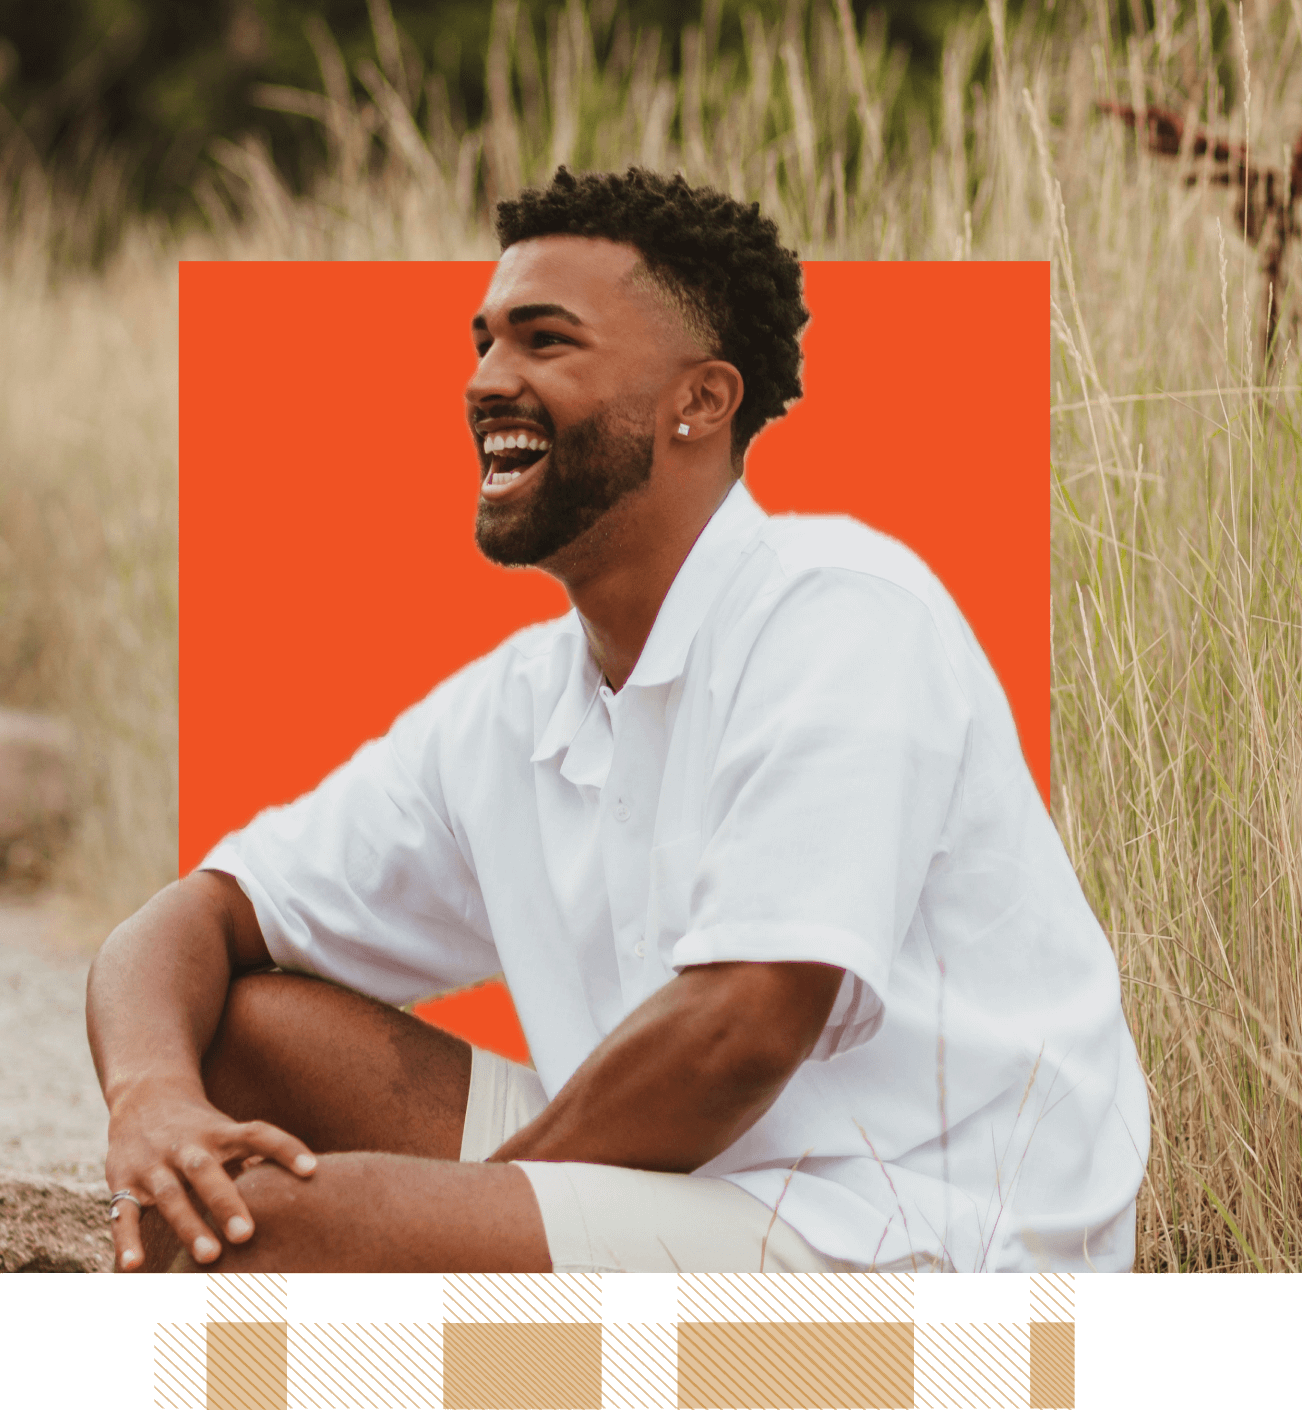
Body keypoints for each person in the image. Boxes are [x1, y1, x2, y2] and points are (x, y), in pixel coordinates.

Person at [87, 166, 1148, 1276]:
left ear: (702, 400)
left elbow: (739, 1033)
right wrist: (152, 1101)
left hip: (925, 1243)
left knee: (287, 1239)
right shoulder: (518, 702)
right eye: (484, 341)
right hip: (706, 1197)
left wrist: (445, 1229)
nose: (488, 380)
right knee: (245, 1036)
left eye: (545, 342)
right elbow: (193, 920)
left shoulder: (840, 613)